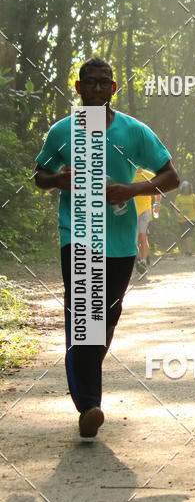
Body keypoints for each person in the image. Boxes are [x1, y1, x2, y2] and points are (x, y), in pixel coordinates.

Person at [34, 57, 179, 439]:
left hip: (120, 240)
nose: (97, 89)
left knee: (107, 318)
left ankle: (83, 370)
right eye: (90, 83)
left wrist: (131, 189)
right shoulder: (62, 131)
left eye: (104, 83)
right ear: (78, 88)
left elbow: (171, 176)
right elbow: (40, 176)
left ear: (113, 88)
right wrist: (58, 180)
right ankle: (90, 405)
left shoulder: (134, 131)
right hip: (77, 234)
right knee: (85, 316)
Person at [133, 166, 161, 275]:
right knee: (135, 239)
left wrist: (157, 203)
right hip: (132, 212)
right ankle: (139, 260)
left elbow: (157, 191)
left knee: (143, 236)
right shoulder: (128, 175)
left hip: (145, 210)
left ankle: (143, 262)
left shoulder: (149, 175)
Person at [173, 181, 195, 256]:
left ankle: (189, 250)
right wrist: (177, 214)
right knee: (185, 235)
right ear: (182, 188)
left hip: (191, 218)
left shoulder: (193, 196)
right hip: (182, 219)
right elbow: (175, 208)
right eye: (185, 188)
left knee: (189, 233)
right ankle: (186, 249)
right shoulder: (178, 197)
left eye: (188, 188)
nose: (187, 189)